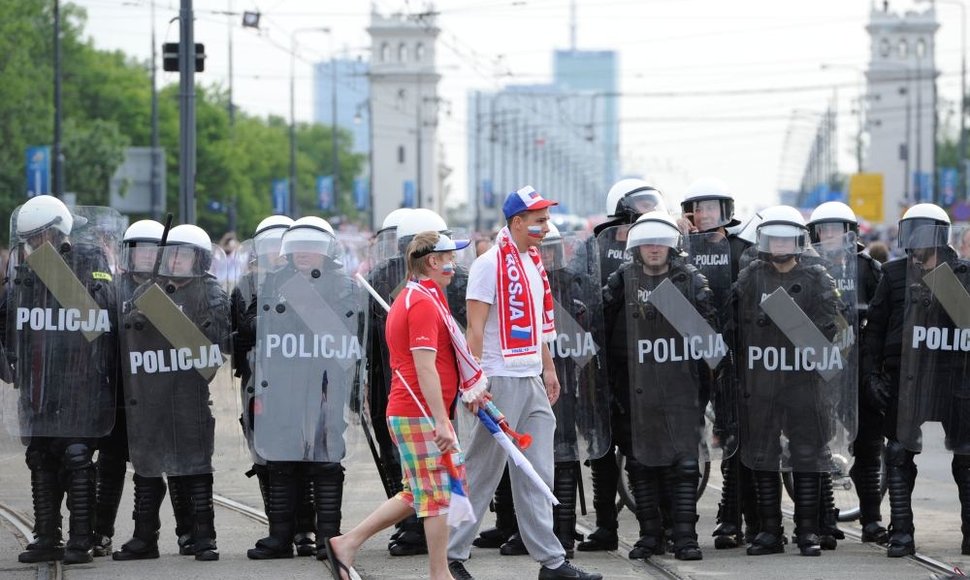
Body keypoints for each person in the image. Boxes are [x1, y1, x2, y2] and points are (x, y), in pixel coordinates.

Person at [447, 186, 602, 580]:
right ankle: (451, 555)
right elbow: (475, 330)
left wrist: (548, 368)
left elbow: (537, 325)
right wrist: (474, 382)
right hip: (497, 380)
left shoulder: (532, 263)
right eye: (539, 220)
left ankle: (551, 561)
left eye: (546, 219)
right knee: (482, 470)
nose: (545, 227)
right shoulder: (489, 265)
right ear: (517, 222)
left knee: (537, 472)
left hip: (530, 376)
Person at [327, 231, 485, 580]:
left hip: (415, 411)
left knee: (419, 493)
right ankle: (439, 574)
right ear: (432, 261)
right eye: (449, 258)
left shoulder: (423, 296)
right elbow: (424, 366)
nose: (454, 265)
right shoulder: (423, 302)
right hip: (419, 413)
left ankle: (347, 544)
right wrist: (442, 421)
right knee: (436, 495)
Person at [3, 196, 121, 565]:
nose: (38, 244)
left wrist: (60, 276)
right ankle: (46, 534)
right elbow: (11, 318)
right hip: (38, 380)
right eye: (32, 238)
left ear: (61, 231)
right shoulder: (23, 270)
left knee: (77, 455)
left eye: (44, 235)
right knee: (40, 457)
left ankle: (82, 538)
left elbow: (103, 312)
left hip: (80, 379)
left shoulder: (90, 261)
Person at [239, 216, 357, 560]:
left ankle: (328, 537)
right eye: (298, 247)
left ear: (327, 252)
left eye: (313, 247)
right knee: (280, 459)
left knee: (325, 460)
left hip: (324, 385)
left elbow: (349, 329)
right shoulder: (274, 281)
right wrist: (272, 316)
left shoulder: (342, 284)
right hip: (280, 383)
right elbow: (249, 324)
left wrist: (303, 308)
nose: (304, 253)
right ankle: (279, 536)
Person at [732, 205, 847, 557]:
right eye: (774, 238)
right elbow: (733, 322)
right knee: (763, 454)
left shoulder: (818, 277)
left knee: (808, 456)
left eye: (787, 238)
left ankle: (807, 532)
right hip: (763, 380)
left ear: (798, 240)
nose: (780, 244)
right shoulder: (751, 276)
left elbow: (834, 325)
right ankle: (769, 531)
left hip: (805, 383)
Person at [603, 211, 717, 561]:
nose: (654, 249)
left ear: (672, 245)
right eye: (647, 242)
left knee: (683, 466)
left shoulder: (690, 281)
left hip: (680, 388)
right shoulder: (623, 279)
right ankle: (650, 536)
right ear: (637, 246)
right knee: (641, 465)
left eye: (661, 242)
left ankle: (684, 537)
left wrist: (703, 394)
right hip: (635, 392)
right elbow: (603, 333)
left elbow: (710, 346)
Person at [115, 224, 230, 562]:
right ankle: (143, 537)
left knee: (195, 468)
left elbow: (219, 342)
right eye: (172, 254)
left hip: (189, 395)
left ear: (200, 259)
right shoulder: (147, 289)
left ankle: (203, 537)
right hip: (148, 395)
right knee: (146, 468)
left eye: (185, 255)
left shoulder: (209, 292)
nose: (177, 261)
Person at [863, 203, 970, 557]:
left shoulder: (961, 273)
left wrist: (942, 281)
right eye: (913, 230)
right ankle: (902, 531)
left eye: (926, 230)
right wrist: (871, 376)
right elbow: (875, 331)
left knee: (966, 457)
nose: (918, 239)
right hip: (905, 377)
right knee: (898, 453)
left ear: (941, 235)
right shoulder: (893, 274)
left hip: (952, 376)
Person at [572, 178, 667, 554]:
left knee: (643, 453)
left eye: (651, 203)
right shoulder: (594, 247)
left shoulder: (659, 242)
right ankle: (605, 526)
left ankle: (656, 528)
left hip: (645, 366)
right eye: (640, 204)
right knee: (600, 451)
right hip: (598, 363)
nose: (647, 211)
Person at [679, 177, 755, 550]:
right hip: (688, 356)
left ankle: (731, 516)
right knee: (684, 436)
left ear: (726, 211)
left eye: (712, 207)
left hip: (730, 355)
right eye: (699, 208)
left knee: (731, 436)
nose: (706, 214)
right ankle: (678, 520)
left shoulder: (742, 249)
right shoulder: (678, 249)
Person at [807, 201, 885, 547]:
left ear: (850, 232)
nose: (831, 236)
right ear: (816, 233)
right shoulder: (807, 269)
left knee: (869, 445)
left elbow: (881, 319)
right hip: (820, 366)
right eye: (825, 229)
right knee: (817, 443)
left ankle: (871, 520)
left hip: (860, 367)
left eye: (837, 229)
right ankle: (824, 520)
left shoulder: (869, 269)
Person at [93, 220, 167, 558]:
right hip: (118, 392)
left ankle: (145, 537)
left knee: (149, 467)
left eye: (151, 250)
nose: (144, 257)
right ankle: (99, 532)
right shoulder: (113, 289)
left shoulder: (168, 289)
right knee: (108, 465)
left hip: (155, 394)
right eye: (137, 250)